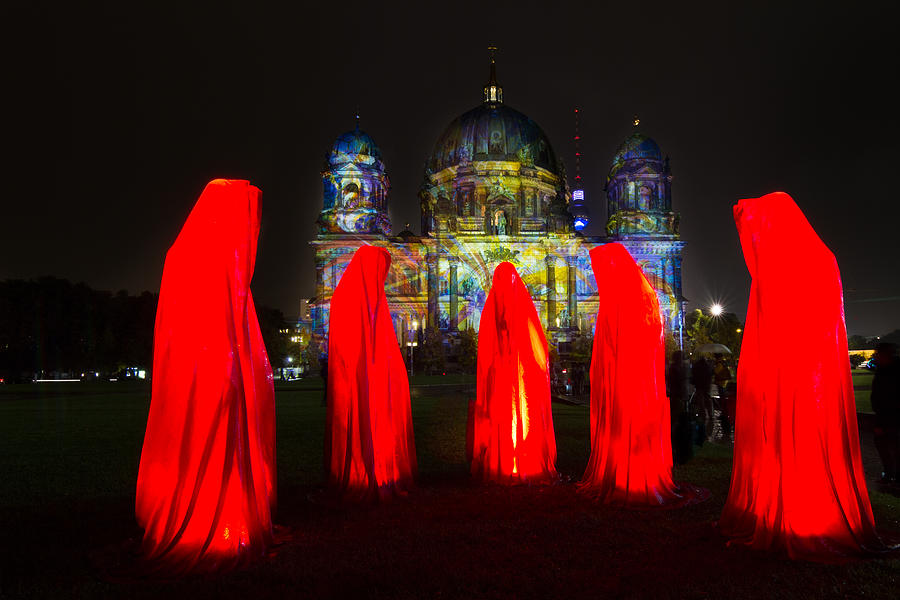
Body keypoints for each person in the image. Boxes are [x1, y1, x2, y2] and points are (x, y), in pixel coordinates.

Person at [871, 342, 900, 483]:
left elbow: (883, 398)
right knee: (888, 446)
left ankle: (890, 474)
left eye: (877, 354)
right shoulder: (884, 370)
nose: (875, 356)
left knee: (889, 445)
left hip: (890, 417)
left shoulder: (887, 372)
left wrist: (880, 421)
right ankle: (891, 473)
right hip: (887, 416)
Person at [690, 355, 713, 442]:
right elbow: (710, 375)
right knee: (708, 399)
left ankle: (703, 413)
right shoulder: (708, 366)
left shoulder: (697, 366)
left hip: (699, 386)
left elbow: (694, 376)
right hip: (706, 386)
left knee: (701, 400)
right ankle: (710, 414)